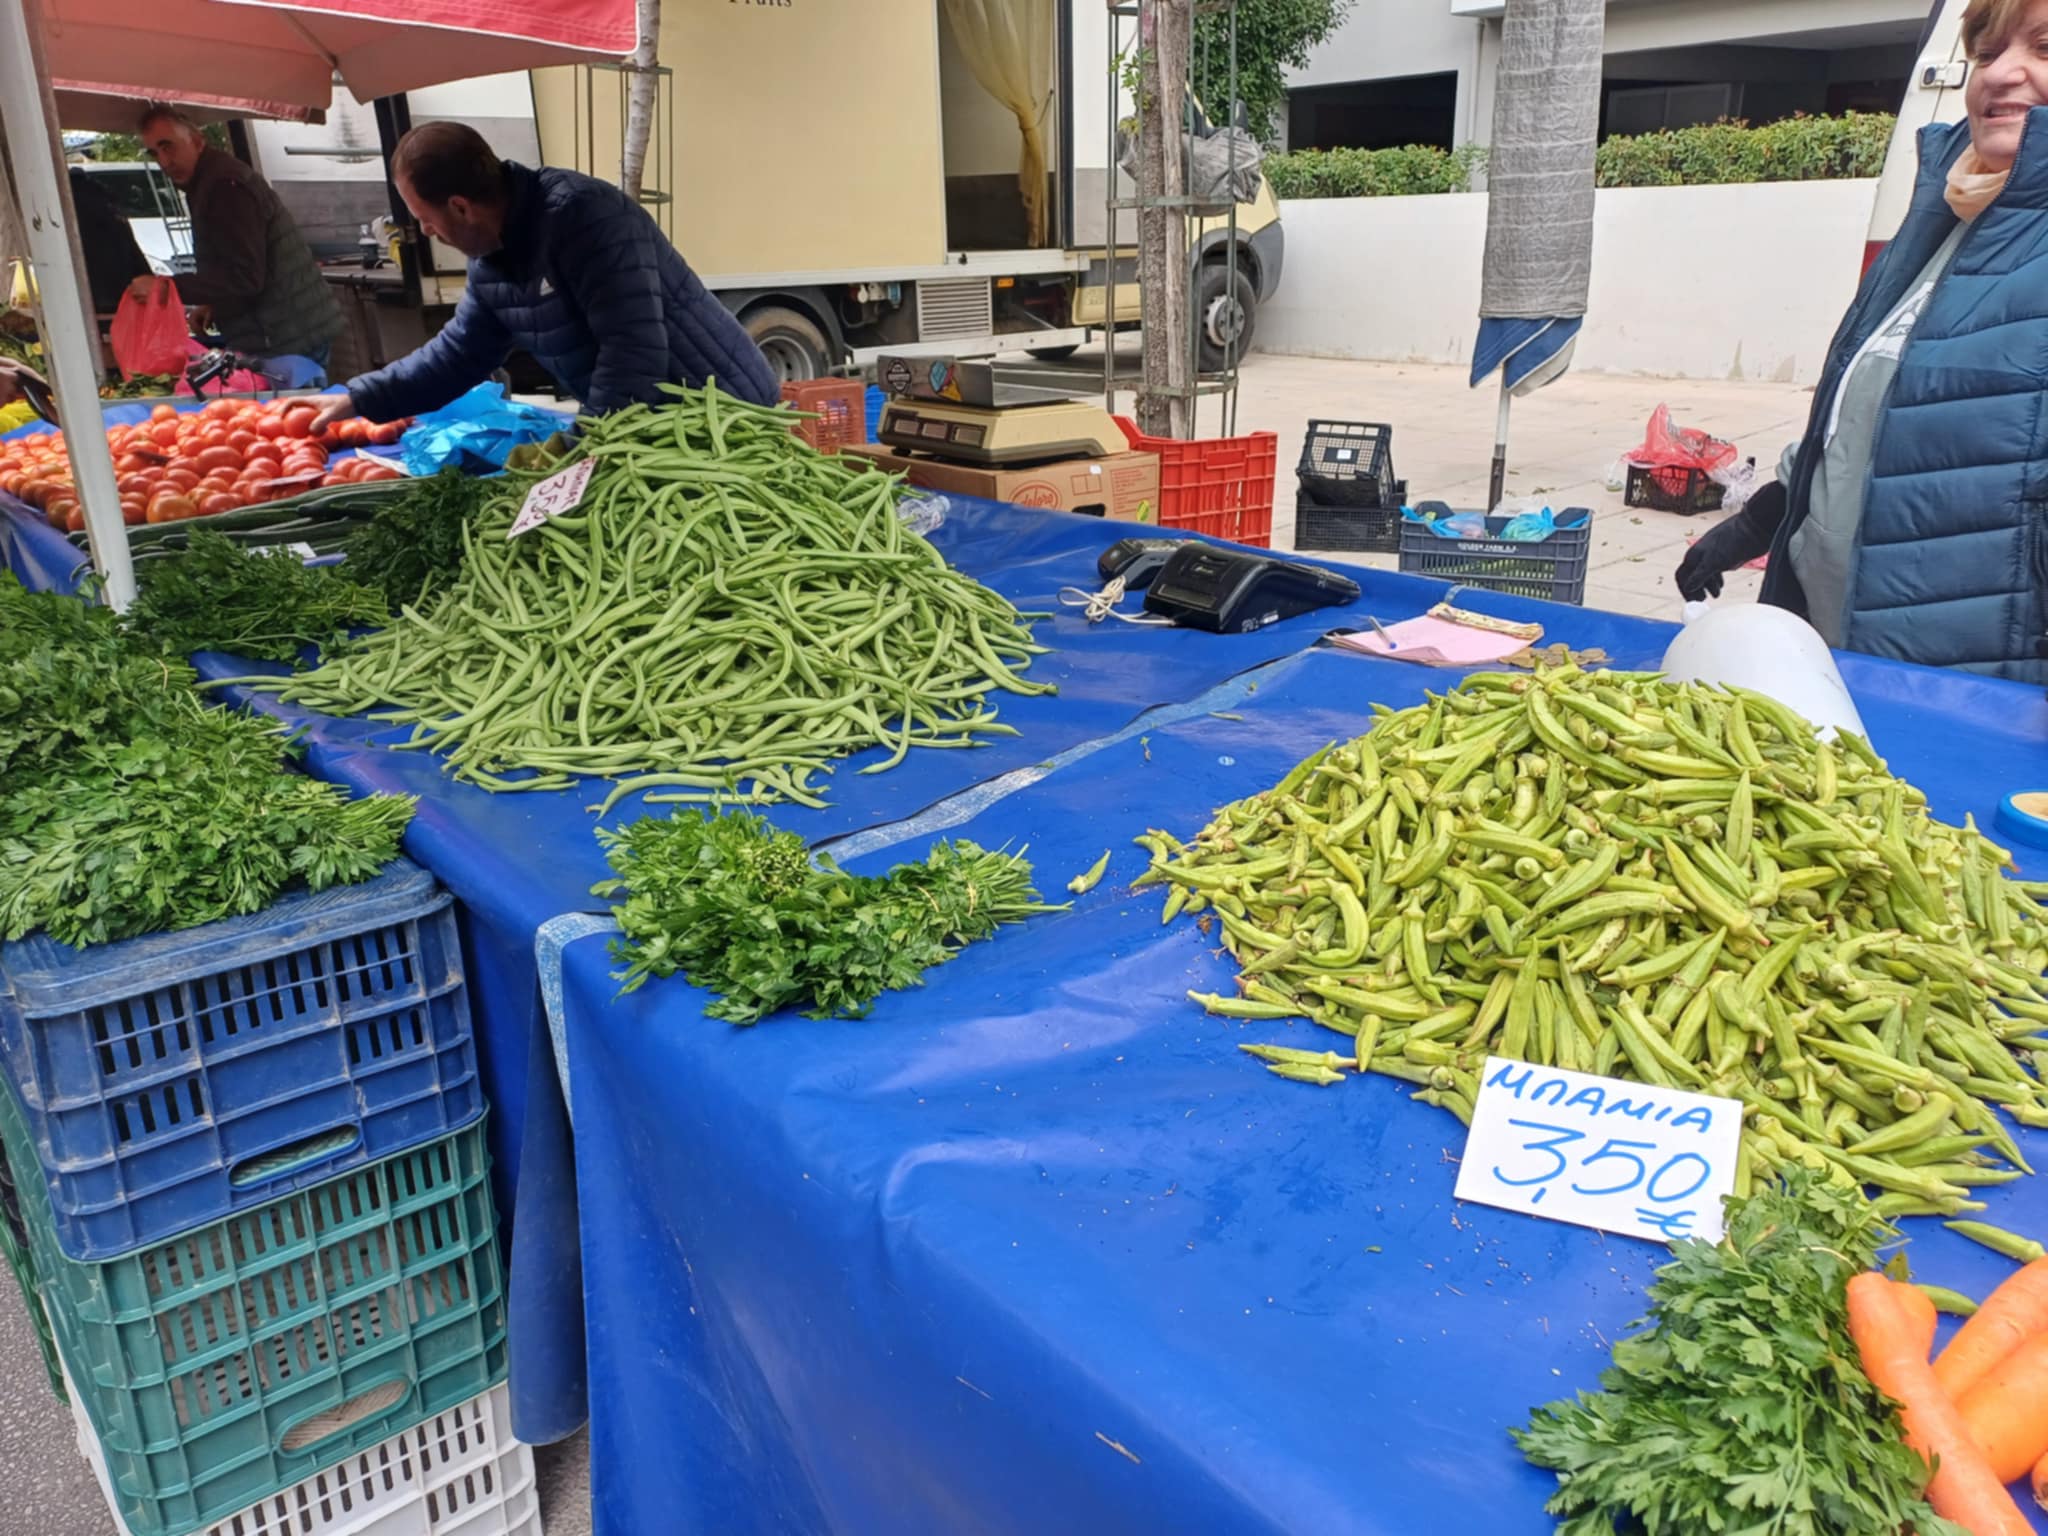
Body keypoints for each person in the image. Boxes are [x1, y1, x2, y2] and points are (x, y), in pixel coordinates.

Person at [1674, 0, 2048, 683]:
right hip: (1849, 655)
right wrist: (1763, 518)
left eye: (2045, 49)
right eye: (1987, 53)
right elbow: (1867, 412)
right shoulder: (1951, 215)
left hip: (1978, 699)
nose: (2001, 74)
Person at [310, 122, 777, 435]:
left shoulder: (583, 217)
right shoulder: (492, 260)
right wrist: (363, 397)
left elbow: (632, 350)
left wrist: (587, 444)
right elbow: (458, 355)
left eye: (424, 218)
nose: (426, 232)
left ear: (460, 206)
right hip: (655, 427)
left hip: (724, 418)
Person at [132, 107, 341, 379]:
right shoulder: (209, 181)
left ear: (196, 141)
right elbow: (237, 262)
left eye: (167, 147)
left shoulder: (225, 186)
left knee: (296, 417)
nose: (163, 161)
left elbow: (245, 277)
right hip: (279, 331)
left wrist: (166, 287)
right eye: (154, 153)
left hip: (284, 337)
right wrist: (213, 302)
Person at [67, 168, 151, 315]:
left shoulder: (65, 204)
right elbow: (132, 249)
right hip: (120, 289)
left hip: (86, 291)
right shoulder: (107, 202)